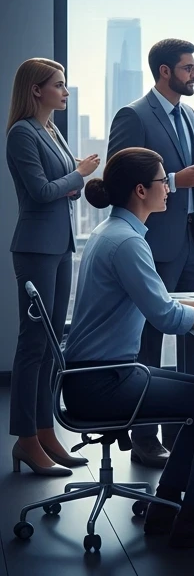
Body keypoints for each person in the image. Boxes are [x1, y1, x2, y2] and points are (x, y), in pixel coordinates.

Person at [62, 147, 194, 548]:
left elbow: (159, 300)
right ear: (141, 190)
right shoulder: (127, 243)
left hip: (96, 374)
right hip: (104, 383)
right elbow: (167, 318)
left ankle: (166, 506)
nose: (169, 189)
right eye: (163, 181)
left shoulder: (114, 233)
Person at [106, 38, 194, 469]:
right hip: (153, 243)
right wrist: (176, 179)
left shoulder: (188, 115)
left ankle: (189, 427)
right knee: (149, 340)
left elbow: (186, 175)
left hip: (191, 240)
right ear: (165, 72)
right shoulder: (134, 116)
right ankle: (144, 436)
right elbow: (120, 178)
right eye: (188, 68)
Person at [7, 58, 100, 477]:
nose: (65, 92)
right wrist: (78, 175)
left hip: (59, 246)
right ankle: (26, 439)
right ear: (36, 90)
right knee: (33, 345)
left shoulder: (52, 130)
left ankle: (45, 431)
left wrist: (75, 179)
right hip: (35, 249)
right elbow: (42, 191)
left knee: (51, 343)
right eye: (59, 85)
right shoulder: (21, 135)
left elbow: (64, 190)